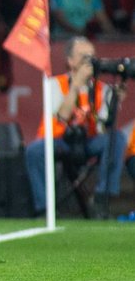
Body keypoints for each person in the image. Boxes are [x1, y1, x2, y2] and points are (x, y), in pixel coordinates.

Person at [24, 36, 127, 218]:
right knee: (34, 151)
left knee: (116, 139)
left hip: (88, 141)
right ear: (70, 60)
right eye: (83, 56)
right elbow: (62, 117)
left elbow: (104, 127)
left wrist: (114, 102)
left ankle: (102, 198)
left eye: (92, 56)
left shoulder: (102, 89)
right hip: (60, 140)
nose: (89, 60)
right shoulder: (54, 84)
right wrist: (76, 86)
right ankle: (44, 208)